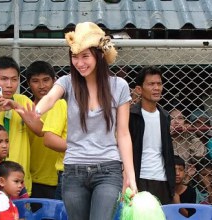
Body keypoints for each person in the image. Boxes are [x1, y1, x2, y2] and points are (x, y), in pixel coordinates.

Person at [35, 21, 137, 220]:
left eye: (85, 56)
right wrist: (36, 111)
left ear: (98, 56)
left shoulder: (119, 86)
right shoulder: (67, 82)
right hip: (73, 171)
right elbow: (49, 98)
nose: (79, 63)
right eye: (74, 56)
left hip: (108, 169)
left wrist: (130, 175)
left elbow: (123, 134)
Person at [0, 56, 43, 195]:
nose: (9, 84)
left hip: (20, 184)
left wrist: (18, 108)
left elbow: (40, 131)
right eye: (4, 79)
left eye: (14, 79)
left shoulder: (22, 100)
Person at [129, 65, 175, 205]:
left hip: (162, 179)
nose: (156, 88)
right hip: (139, 178)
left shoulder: (165, 116)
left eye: (159, 84)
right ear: (139, 89)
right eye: (151, 84)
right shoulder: (131, 115)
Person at [26, 61, 59, 199]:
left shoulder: (63, 107)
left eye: (46, 80)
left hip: (61, 178)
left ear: (55, 81)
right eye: (35, 81)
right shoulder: (25, 109)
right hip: (32, 180)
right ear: (28, 84)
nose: (41, 86)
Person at [0, 122, 28, 199]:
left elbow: (24, 198)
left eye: (7, 141)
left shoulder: (12, 168)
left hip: (15, 210)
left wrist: (27, 210)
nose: (5, 146)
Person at [42, 98, 67, 200]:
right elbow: (49, 139)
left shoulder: (111, 101)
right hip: (71, 171)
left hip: (107, 171)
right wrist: (87, 147)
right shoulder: (63, 103)